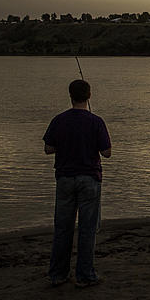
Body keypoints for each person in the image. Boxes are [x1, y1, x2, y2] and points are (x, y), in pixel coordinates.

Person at [43, 79, 111, 287]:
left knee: (63, 228)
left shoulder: (59, 120)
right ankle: (84, 275)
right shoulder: (96, 121)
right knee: (87, 229)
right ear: (89, 96)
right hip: (89, 179)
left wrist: (65, 145)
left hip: (64, 179)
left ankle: (57, 275)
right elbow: (106, 153)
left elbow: (48, 148)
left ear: (70, 96)